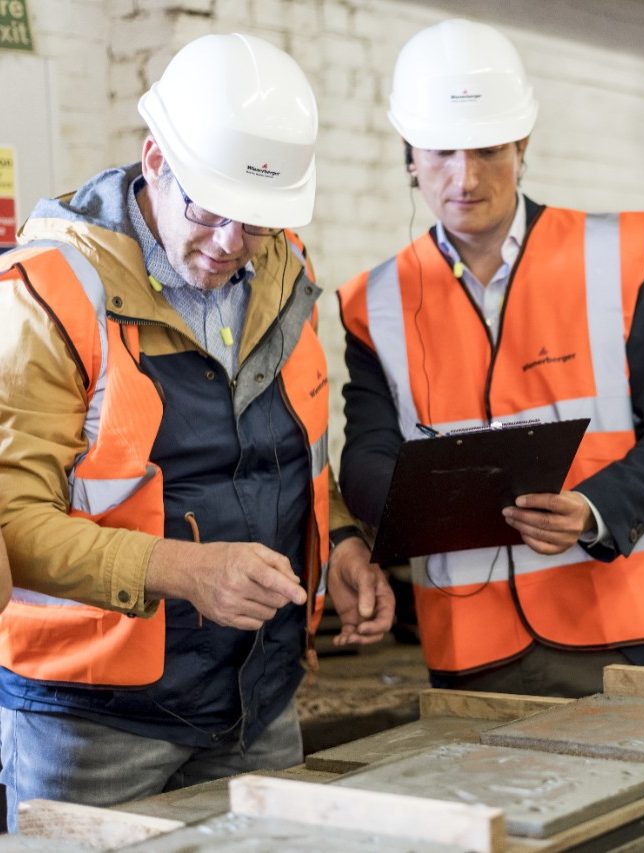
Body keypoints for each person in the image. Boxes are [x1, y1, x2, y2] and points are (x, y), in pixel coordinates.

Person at [0, 33, 394, 828]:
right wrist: (180, 568)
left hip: (260, 696)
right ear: (155, 160)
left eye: (256, 223)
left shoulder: (283, 271)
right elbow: (12, 523)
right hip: (93, 722)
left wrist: (343, 544)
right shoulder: (46, 294)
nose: (228, 246)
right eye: (208, 212)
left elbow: (293, 456)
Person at [338, 19, 644, 698]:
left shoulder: (615, 259)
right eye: (441, 152)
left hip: (627, 633)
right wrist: (416, 502)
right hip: (476, 651)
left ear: (522, 145)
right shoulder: (376, 301)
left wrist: (595, 507)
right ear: (409, 156)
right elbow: (366, 459)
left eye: (488, 150)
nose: (464, 177)